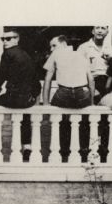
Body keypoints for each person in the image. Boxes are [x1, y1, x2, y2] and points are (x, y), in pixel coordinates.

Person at [0, 29, 41, 157]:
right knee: (25, 114)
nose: (4, 42)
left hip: (12, 98)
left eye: (8, 39)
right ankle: (27, 146)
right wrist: (33, 95)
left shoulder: (8, 54)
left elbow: (1, 75)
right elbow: (36, 81)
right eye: (2, 39)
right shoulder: (27, 56)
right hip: (26, 100)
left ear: (17, 39)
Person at [43, 35, 94, 160]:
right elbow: (91, 81)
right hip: (82, 94)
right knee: (84, 121)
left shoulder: (55, 54)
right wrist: (91, 103)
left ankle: (64, 152)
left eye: (54, 45)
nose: (51, 49)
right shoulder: (82, 54)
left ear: (63, 43)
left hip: (63, 94)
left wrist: (45, 104)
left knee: (62, 120)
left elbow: (47, 80)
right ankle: (84, 151)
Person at [77, 26, 112, 159]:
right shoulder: (84, 47)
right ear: (92, 31)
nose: (100, 30)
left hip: (108, 83)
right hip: (90, 82)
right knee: (86, 117)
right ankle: (84, 151)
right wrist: (89, 87)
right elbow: (78, 68)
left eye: (103, 28)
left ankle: (104, 152)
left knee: (105, 119)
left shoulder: (110, 47)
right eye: (97, 28)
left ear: (107, 31)